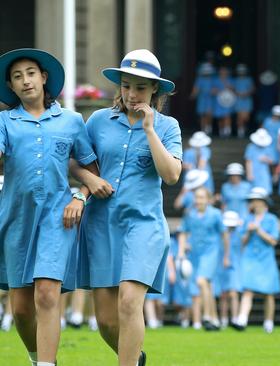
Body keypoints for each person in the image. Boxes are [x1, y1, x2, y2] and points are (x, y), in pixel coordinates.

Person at [73, 48, 182, 366]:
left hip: (144, 225)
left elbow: (172, 175)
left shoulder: (167, 126)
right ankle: (136, 359)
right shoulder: (97, 121)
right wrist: (88, 183)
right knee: (106, 321)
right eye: (127, 85)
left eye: (140, 87)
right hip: (100, 224)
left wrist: (149, 130)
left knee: (130, 303)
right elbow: (79, 163)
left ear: (155, 90)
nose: (132, 94)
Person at [0, 48, 97, 366]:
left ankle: (47, 363)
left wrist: (79, 197)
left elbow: (90, 171)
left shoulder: (70, 121)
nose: (25, 80)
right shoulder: (5, 122)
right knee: (22, 310)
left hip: (58, 218)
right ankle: (34, 355)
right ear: (11, 87)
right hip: (16, 219)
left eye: (30, 73)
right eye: (17, 77)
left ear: (43, 78)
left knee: (46, 292)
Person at [177, 187, 230, 331]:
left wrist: (226, 256)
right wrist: (181, 251)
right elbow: (182, 233)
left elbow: (225, 235)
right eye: (196, 197)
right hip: (195, 254)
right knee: (207, 286)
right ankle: (215, 319)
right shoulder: (189, 214)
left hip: (211, 252)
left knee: (202, 281)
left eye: (201, 197)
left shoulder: (216, 214)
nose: (198, 200)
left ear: (208, 199)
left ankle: (206, 316)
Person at [232, 187, 280, 333]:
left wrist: (258, 230)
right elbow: (243, 242)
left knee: (269, 293)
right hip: (250, 257)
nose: (253, 203)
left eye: (256, 200)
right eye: (252, 200)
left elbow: (273, 241)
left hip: (265, 258)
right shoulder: (247, 219)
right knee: (248, 289)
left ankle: (268, 322)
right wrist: (248, 230)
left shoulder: (272, 219)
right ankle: (242, 319)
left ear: (263, 202)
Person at [218, 210, 244, 328]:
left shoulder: (240, 233)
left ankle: (235, 318)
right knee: (223, 294)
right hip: (221, 265)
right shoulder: (220, 233)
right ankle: (223, 319)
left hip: (236, 265)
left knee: (233, 293)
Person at [190, 62, 216, 135]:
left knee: (209, 114)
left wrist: (214, 91)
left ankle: (209, 128)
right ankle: (203, 130)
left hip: (210, 99)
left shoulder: (213, 79)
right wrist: (193, 95)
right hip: (202, 99)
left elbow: (216, 89)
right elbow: (196, 89)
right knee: (202, 115)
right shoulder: (199, 79)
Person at [245, 128, 274, 194]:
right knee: (253, 191)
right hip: (254, 172)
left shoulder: (268, 147)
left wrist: (266, 159)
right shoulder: (250, 147)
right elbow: (248, 161)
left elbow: (272, 161)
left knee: (265, 190)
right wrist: (249, 174)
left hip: (264, 173)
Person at [233, 64, 255, 137]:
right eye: (240, 71)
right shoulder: (235, 80)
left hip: (247, 100)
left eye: (242, 71)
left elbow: (253, 89)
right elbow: (232, 89)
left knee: (246, 117)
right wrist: (238, 93)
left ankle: (244, 128)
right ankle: (240, 132)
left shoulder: (249, 79)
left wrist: (246, 93)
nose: (241, 72)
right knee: (239, 116)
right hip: (238, 100)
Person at [213, 66, 235, 138]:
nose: (223, 73)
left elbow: (233, 89)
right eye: (222, 72)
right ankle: (221, 131)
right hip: (218, 101)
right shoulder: (215, 80)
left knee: (227, 115)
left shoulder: (230, 80)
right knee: (220, 117)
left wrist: (226, 84)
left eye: (225, 72)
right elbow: (212, 91)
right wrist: (217, 91)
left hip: (228, 101)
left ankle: (227, 131)